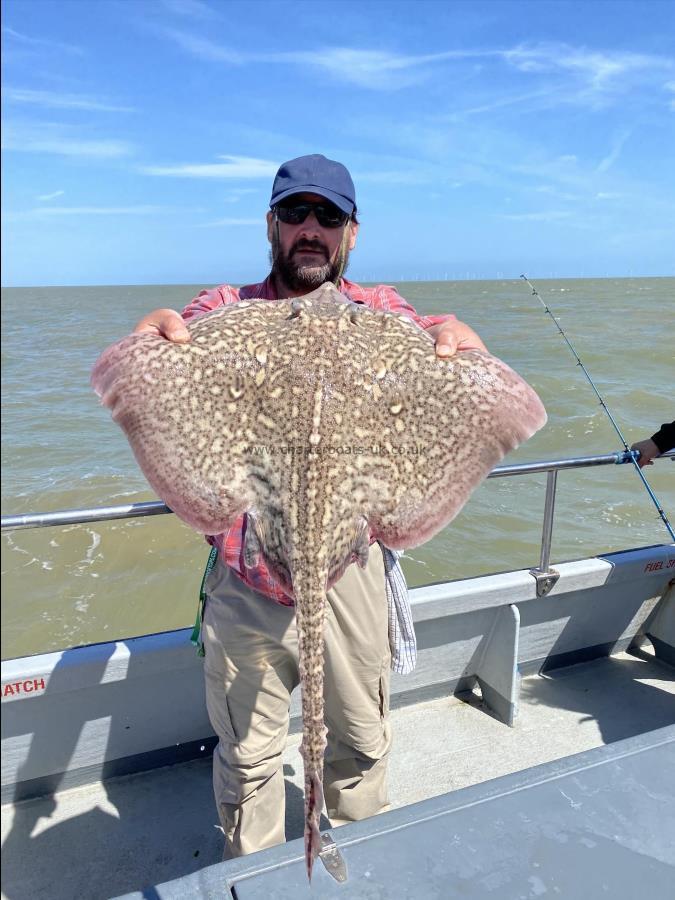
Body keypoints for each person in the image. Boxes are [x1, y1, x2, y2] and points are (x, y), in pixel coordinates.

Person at [133, 154, 488, 859]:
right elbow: (175, 335)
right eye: (295, 213)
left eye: (328, 216)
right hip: (247, 576)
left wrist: (459, 338)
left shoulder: (379, 313)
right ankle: (260, 874)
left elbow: (431, 333)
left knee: (358, 742)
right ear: (271, 223)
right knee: (250, 757)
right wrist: (155, 335)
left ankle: (361, 856)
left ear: (350, 233)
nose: (309, 229)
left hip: (349, 572)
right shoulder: (225, 311)